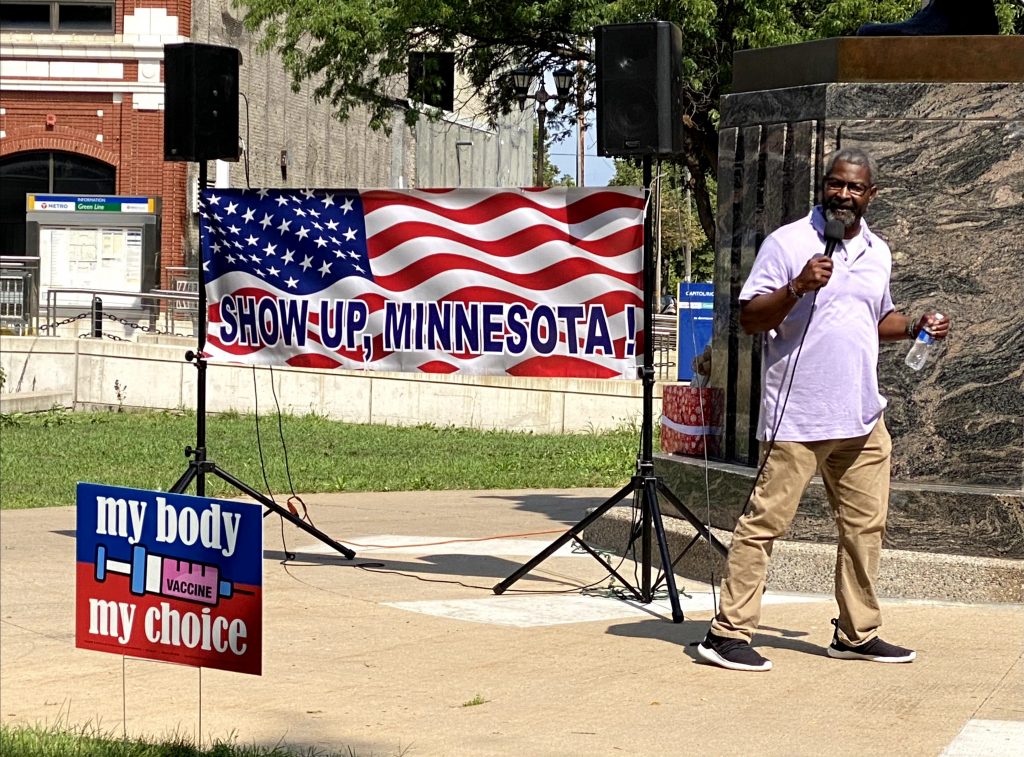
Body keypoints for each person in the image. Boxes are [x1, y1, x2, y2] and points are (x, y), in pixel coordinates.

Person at [696, 147, 951, 672]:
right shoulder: (788, 242)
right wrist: (797, 286)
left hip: (861, 416)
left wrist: (914, 325)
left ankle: (856, 633)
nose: (843, 194)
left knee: (864, 529)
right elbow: (750, 318)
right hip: (798, 417)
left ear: (871, 195)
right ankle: (726, 633)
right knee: (764, 524)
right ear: (823, 185)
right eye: (836, 183)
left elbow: (875, 319)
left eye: (855, 187)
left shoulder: (878, 251)